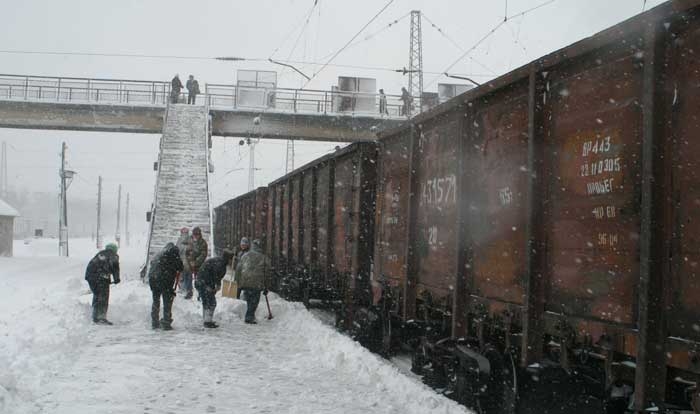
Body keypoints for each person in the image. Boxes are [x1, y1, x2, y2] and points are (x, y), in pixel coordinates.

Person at [148, 243, 184, 330]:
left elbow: (152, 263)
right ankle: (166, 322)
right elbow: (180, 267)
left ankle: (155, 322)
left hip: (153, 279)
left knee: (156, 300)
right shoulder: (173, 252)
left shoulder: (159, 253)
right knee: (167, 300)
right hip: (164, 279)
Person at [195, 250, 235, 328]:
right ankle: (207, 321)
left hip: (201, 281)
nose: (232, 261)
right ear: (228, 259)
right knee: (211, 303)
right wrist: (216, 285)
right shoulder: (220, 264)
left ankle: (206, 319)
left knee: (207, 301)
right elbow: (215, 274)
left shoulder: (218, 261)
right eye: (232, 259)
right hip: (204, 283)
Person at [235, 239, 270, 324]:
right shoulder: (264, 258)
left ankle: (250, 315)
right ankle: (249, 317)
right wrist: (266, 286)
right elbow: (267, 274)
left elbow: (238, 269)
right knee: (254, 301)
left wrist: (238, 281)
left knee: (249, 298)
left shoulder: (245, 255)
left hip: (245, 281)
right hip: (256, 283)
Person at [84, 243, 120, 325]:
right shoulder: (113, 255)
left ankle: (95, 316)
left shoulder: (100, 254)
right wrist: (117, 279)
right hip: (101, 277)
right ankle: (101, 318)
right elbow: (115, 267)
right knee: (103, 297)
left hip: (90, 276)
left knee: (97, 295)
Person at [186, 226, 208, 292]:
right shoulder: (189, 241)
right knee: (187, 272)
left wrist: (196, 262)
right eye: (194, 234)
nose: (196, 236)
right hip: (189, 262)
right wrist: (189, 260)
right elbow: (186, 251)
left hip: (198, 263)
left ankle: (199, 290)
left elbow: (203, 255)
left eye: (197, 234)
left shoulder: (203, 243)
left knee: (199, 277)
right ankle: (188, 290)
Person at [176, 227, 193, 299]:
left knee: (187, 275)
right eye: (183, 233)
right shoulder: (180, 240)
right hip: (181, 260)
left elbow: (191, 249)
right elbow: (177, 248)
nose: (184, 234)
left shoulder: (190, 240)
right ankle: (182, 288)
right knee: (181, 275)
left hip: (187, 260)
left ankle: (188, 289)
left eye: (186, 233)